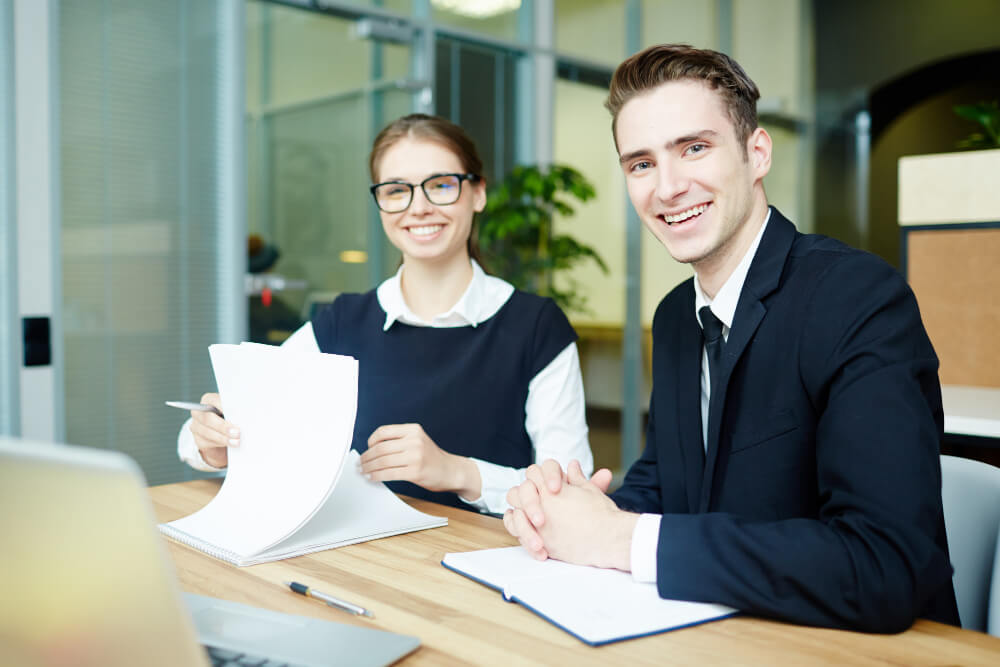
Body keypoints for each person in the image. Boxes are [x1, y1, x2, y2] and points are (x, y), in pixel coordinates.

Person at [502, 44, 959, 633]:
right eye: (640, 164)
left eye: (694, 148)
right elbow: (667, 481)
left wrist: (625, 539)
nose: (667, 187)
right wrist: (572, 512)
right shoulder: (674, 317)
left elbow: (883, 564)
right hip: (722, 631)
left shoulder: (857, 298)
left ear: (756, 153)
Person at [178, 113, 593, 513]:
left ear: (478, 192)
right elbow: (206, 433)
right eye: (396, 190)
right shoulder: (340, 324)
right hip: (365, 564)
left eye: (441, 185)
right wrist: (213, 442)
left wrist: (455, 471)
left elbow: (572, 491)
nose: (419, 207)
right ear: (380, 203)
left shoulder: (536, 327)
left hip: (488, 565)